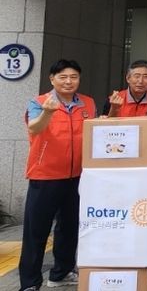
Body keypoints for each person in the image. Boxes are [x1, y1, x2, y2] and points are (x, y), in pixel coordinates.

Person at [19, 60, 96, 291]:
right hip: (45, 176)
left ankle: (61, 273)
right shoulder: (40, 102)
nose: (68, 81)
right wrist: (47, 113)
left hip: (77, 176)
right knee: (36, 232)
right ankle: (30, 283)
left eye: (74, 77)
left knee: (69, 228)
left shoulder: (88, 103)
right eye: (63, 77)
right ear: (52, 79)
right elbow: (34, 127)